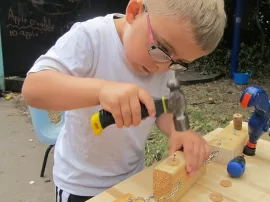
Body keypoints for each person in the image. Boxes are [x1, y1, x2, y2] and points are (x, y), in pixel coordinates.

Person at [22, 0, 226, 201]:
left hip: (133, 178)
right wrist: (101, 90)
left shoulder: (165, 63)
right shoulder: (91, 38)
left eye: (180, 63)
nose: (162, 68)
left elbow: (164, 106)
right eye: (162, 48)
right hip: (81, 185)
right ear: (134, 11)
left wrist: (180, 129)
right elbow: (34, 88)